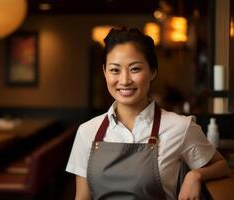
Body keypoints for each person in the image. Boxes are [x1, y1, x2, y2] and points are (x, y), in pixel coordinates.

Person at [66, 27, 230, 200]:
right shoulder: (87, 132)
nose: (124, 80)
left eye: (135, 69)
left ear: (152, 72)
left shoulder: (180, 127)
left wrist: (195, 175)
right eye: (115, 70)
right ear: (104, 72)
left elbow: (221, 165)